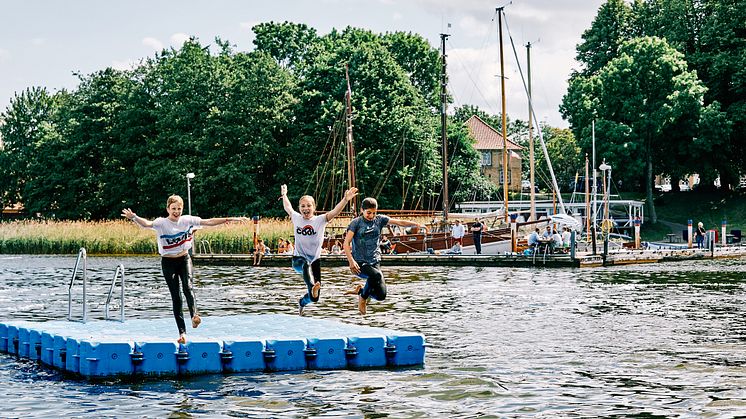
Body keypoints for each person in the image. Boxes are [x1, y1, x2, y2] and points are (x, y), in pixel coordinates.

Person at [122, 195, 247, 344]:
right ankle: (182, 333)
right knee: (176, 297)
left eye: (179, 209)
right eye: (173, 209)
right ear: (168, 209)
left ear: (182, 209)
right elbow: (147, 224)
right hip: (168, 262)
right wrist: (134, 217)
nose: (176, 211)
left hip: (184, 259)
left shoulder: (188, 220)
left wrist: (231, 219)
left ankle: (195, 315)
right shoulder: (162, 223)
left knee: (188, 286)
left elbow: (209, 221)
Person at [281, 184, 358, 316]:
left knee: (314, 298)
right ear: (299, 208)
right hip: (298, 260)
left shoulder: (320, 220)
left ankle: (302, 302)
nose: (306, 208)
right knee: (305, 265)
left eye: (308, 205)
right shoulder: (296, 217)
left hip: (315, 260)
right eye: (303, 206)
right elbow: (287, 207)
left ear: (314, 207)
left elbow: (334, 211)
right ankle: (312, 287)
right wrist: (284, 195)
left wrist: (345, 200)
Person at [344, 197, 427, 315]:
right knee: (376, 275)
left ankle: (361, 290)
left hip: (374, 262)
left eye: (374, 213)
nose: (371, 216)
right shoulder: (356, 223)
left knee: (381, 296)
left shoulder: (380, 220)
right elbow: (346, 243)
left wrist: (417, 225)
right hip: (359, 263)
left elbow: (399, 222)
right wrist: (351, 261)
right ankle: (363, 298)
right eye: (368, 213)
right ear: (362, 210)